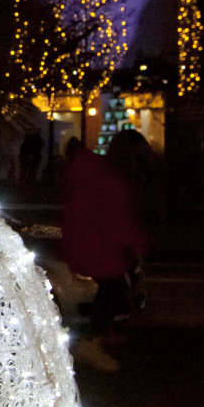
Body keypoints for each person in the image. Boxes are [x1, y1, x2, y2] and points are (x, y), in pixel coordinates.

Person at [61, 139, 147, 372]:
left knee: (114, 286)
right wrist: (136, 245)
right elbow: (117, 219)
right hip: (94, 243)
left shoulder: (97, 172)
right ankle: (92, 341)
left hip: (86, 240)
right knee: (114, 287)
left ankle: (102, 333)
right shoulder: (109, 178)